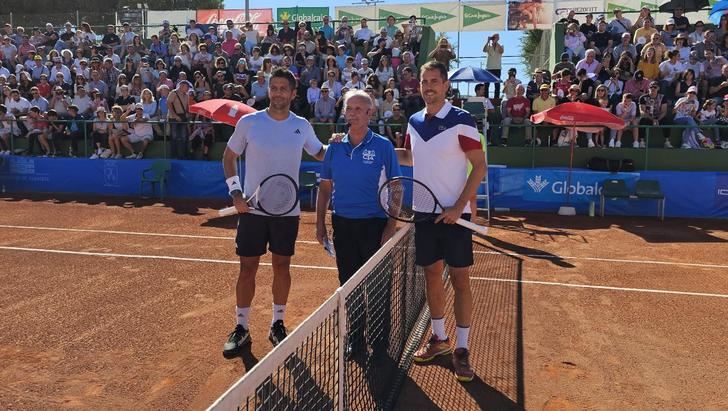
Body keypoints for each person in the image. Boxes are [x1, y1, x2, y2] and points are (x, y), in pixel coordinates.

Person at [221, 68, 327, 357]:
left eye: (284, 88)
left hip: (287, 212)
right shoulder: (249, 122)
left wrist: (342, 148)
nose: (278, 92)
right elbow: (229, 157)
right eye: (274, 87)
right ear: (269, 91)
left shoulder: (302, 125)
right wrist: (236, 193)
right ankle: (241, 327)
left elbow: (321, 153)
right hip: (253, 211)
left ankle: (277, 323)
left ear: (294, 94)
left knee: (282, 266)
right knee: (247, 269)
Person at [395, 61, 486, 383]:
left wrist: (459, 206)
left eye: (434, 81)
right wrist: (377, 148)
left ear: (446, 85)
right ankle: (439, 339)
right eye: (424, 81)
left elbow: (479, 166)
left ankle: (461, 349)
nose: (429, 86)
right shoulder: (414, 121)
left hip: (454, 216)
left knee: (460, 281)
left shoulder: (462, 120)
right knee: (432, 275)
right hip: (423, 214)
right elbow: (409, 157)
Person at [483, 33, 503, 98]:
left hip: (497, 68)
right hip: (489, 68)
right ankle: (486, 98)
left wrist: (496, 43)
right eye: (494, 37)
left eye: (497, 37)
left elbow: (501, 51)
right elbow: (484, 50)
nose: (495, 38)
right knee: (486, 84)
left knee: (497, 84)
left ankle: (496, 98)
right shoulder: (489, 45)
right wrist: (488, 41)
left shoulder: (501, 45)